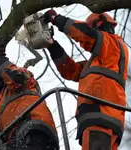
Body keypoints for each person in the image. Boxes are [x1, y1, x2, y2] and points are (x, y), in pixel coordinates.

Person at [43, 9, 129, 150]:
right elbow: (71, 71)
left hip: (100, 115)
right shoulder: (101, 61)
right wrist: (52, 45)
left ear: (99, 25)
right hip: (102, 117)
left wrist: (57, 19)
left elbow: (86, 35)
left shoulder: (113, 44)